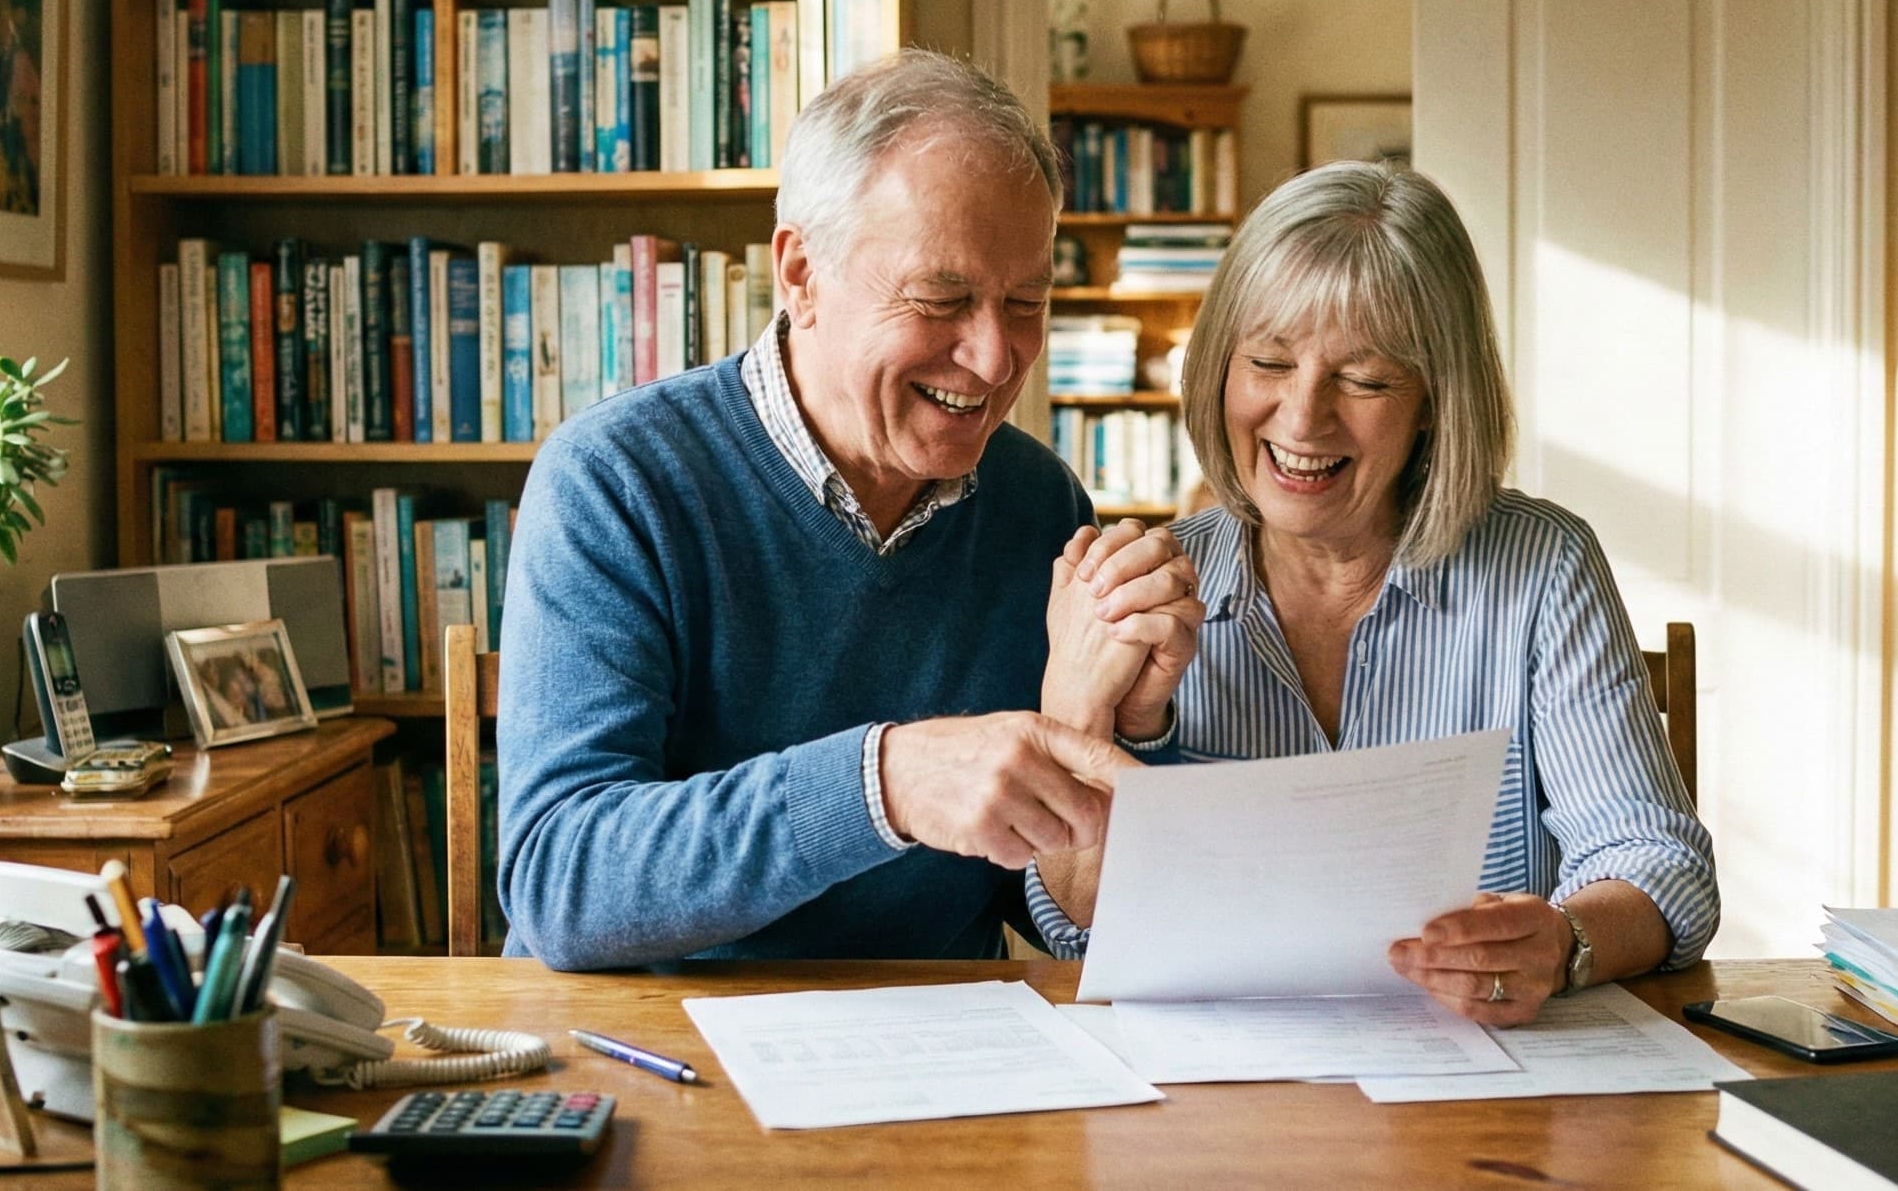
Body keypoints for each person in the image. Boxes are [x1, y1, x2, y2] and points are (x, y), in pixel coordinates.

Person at [498, 50, 1201, 971]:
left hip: (935, 1048)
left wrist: (1118, 726)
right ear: (801, 273)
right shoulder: (617, 479)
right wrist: (883, 784)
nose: (995, 360)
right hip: (663, 1049)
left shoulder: (1038, 502)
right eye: (939, 299)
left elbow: (1053, 908)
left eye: (1026, 301)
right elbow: (563, 882)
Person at [1032, 160, 1719, 1024]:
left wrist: (1564, 941)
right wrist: (1085, 716)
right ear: (1218, 370)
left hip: (1486, 1100)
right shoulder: (1148, 596)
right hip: (1219, 1098)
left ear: (1435, 399)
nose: (1302, 418)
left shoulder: (1542, 566)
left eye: (1363, 379)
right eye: (1269, 362)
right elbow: (1074, 928)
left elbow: (1659, 864)